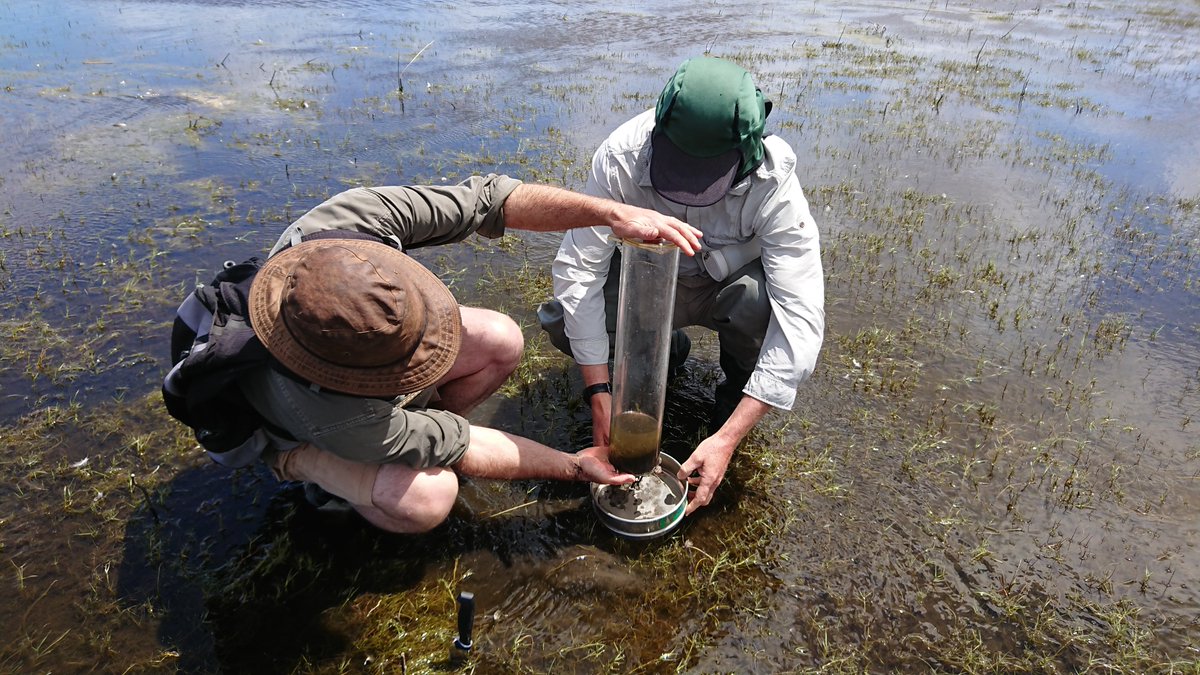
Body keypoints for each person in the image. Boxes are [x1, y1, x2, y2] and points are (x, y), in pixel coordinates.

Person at [241, 174, 703, 534]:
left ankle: (414, 430)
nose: (422, 357)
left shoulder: (353, 222)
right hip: (301, 427)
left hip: (348, 388)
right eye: (402, 361)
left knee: (500, 339)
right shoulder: (335, 413)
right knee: (429, 497)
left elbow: (490, 200)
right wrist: (574, 466)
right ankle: (310, 468)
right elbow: (464, 445)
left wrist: (608, 213)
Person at [539, 57, 825, 515]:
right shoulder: (621, 157)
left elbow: (802, 320)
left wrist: (730, 439)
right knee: (560, 318)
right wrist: (598, 393)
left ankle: (729, 413)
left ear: (747, 151)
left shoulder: (774, 184)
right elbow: (580, 269)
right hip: (647, 286)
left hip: (722, 291)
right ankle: (661, 355)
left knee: (758, 303)